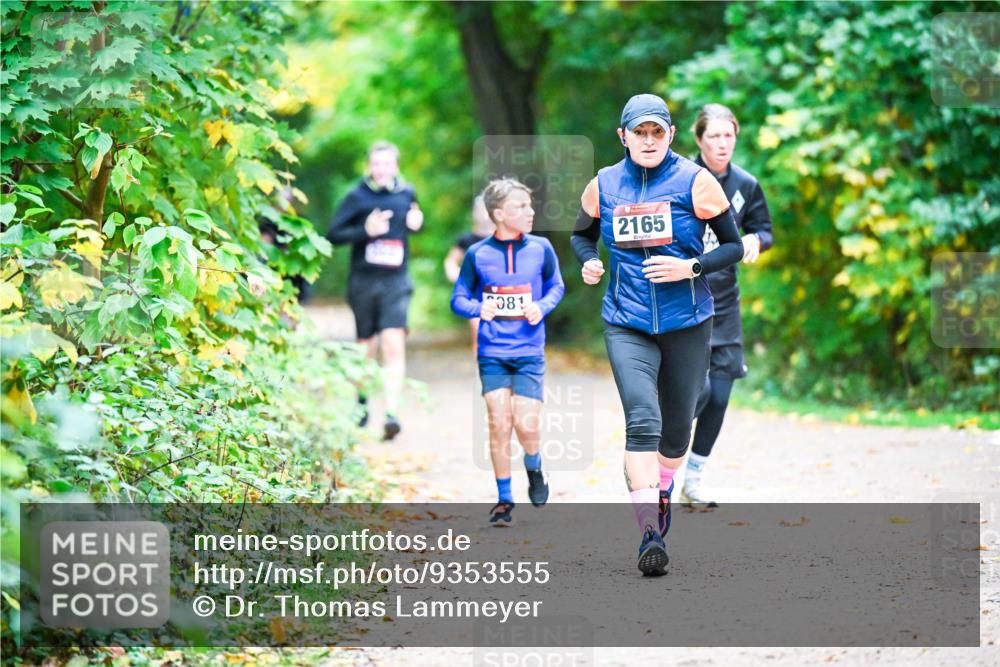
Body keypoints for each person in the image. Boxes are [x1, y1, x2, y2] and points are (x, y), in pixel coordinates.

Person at [571, 94, 743, 575]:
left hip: (687, 320)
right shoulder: (603, 184)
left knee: (675, 429)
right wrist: (589, 260)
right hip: (626, 321)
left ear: (669, 134)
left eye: (657, 132)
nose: (648, 141)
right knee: (642, 420)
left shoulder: (696, 180)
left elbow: (732, 246)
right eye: (639, 133)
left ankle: (664, 487)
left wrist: (690, 266)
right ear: (622, 137)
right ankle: (650, 533)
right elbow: (581, 234)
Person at [451, 178, 565, 525]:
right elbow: (459, 298)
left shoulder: (542, 248)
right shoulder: (477, 254)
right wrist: (477, 309)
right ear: (499, 214)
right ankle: (504, 499)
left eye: (530, 206)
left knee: (526, 423)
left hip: (529, 350)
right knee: (499, 423)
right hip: (493, 351)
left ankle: (534, 468)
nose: (531, 212)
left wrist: (541, 306)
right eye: (521, 207)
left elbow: (556, 286)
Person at [683, 104, 774, 507]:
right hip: (684, 300)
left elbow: (763, 228)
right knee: (695, 393)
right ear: (698, 139)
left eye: (729, 135)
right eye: (714, 136)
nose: (723, 143)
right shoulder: (680, 178)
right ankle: (659, 464)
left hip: (726, 303)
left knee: (719, 396)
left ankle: (694, 479)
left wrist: (756, 240)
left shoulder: (746, 184)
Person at [326, 141, 424, 441]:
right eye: (376, 164)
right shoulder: (357, 197)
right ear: (370, 166)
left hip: (396, 281)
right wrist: (364, 232)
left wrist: (417, 224)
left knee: (394, 343)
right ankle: (362, 404)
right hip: (364, 283)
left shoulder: (407, 193)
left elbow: (416, 222)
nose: (381, 170)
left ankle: (392, 413)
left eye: (386, 164)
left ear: (395, 166)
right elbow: (333, 234)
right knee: (366, 349)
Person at [444, 195, 495, 352]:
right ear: (473, 213)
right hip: (475, 296)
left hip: (501, 294)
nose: (483, 214)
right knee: (480, 333)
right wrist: (456, 274)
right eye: (479, 210)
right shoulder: (466, 239)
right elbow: (450, 261)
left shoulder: (503, 238)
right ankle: (481, 373)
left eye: (486, 210)